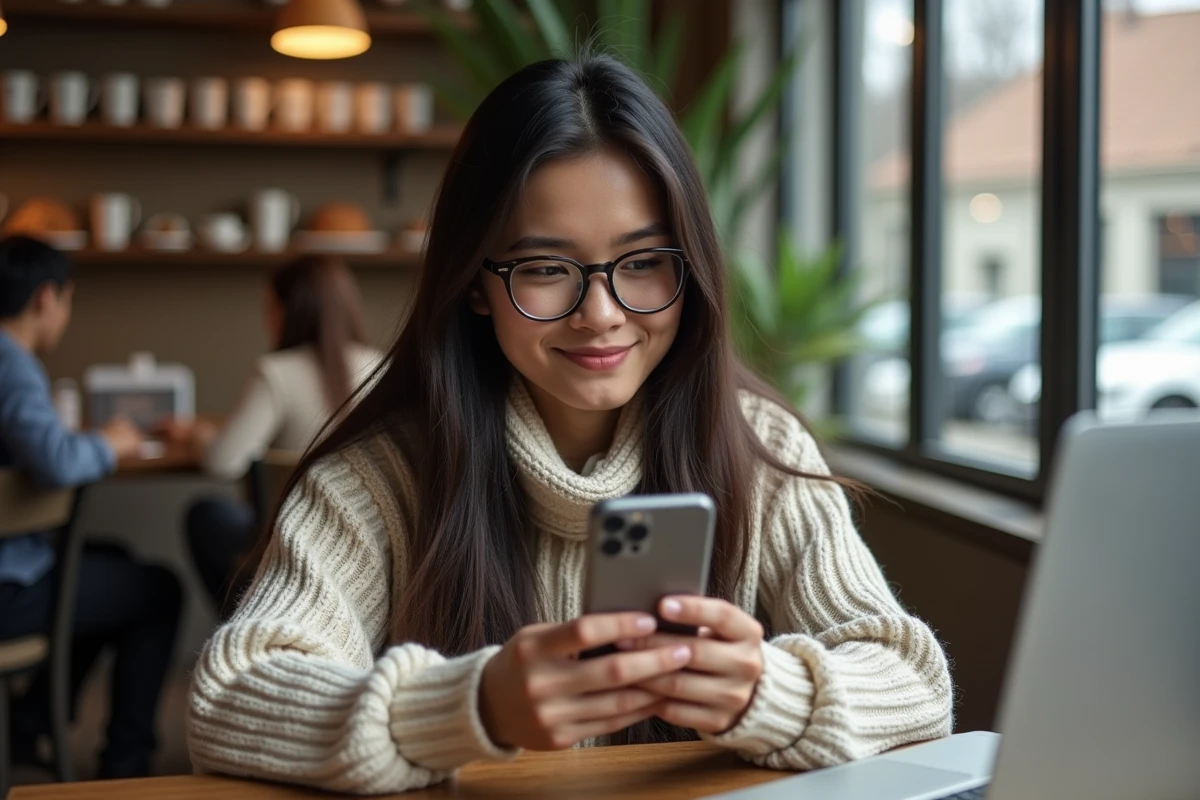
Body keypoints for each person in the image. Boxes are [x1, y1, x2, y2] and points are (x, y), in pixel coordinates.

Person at [187, 55, 952, 795]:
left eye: (643, 261)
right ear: (476, 284)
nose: (601, 314)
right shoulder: (378, 476)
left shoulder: (760, 448)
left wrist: (768, 692)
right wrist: (473, 705)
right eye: (547, 269)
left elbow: (915, 684)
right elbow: (230, 697)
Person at [0, 235, 183, 779]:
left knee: (112, 561)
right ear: (46, 297)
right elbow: (57, 461)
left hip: (14, 571)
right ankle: (125, 763)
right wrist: (111, 442)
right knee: (159, 590)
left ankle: (29, 724)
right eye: (68, 301)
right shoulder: (11, 364)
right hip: (8, 590)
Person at [170, 255, 383, 618]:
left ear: (290, 311)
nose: (266, 320)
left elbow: (223, 462)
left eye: (270, 308)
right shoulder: (381, 366)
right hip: (367, 551)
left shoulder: (277, 372)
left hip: (291, 551)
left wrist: (197, 437)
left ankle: (247, 624)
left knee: (205, 515)